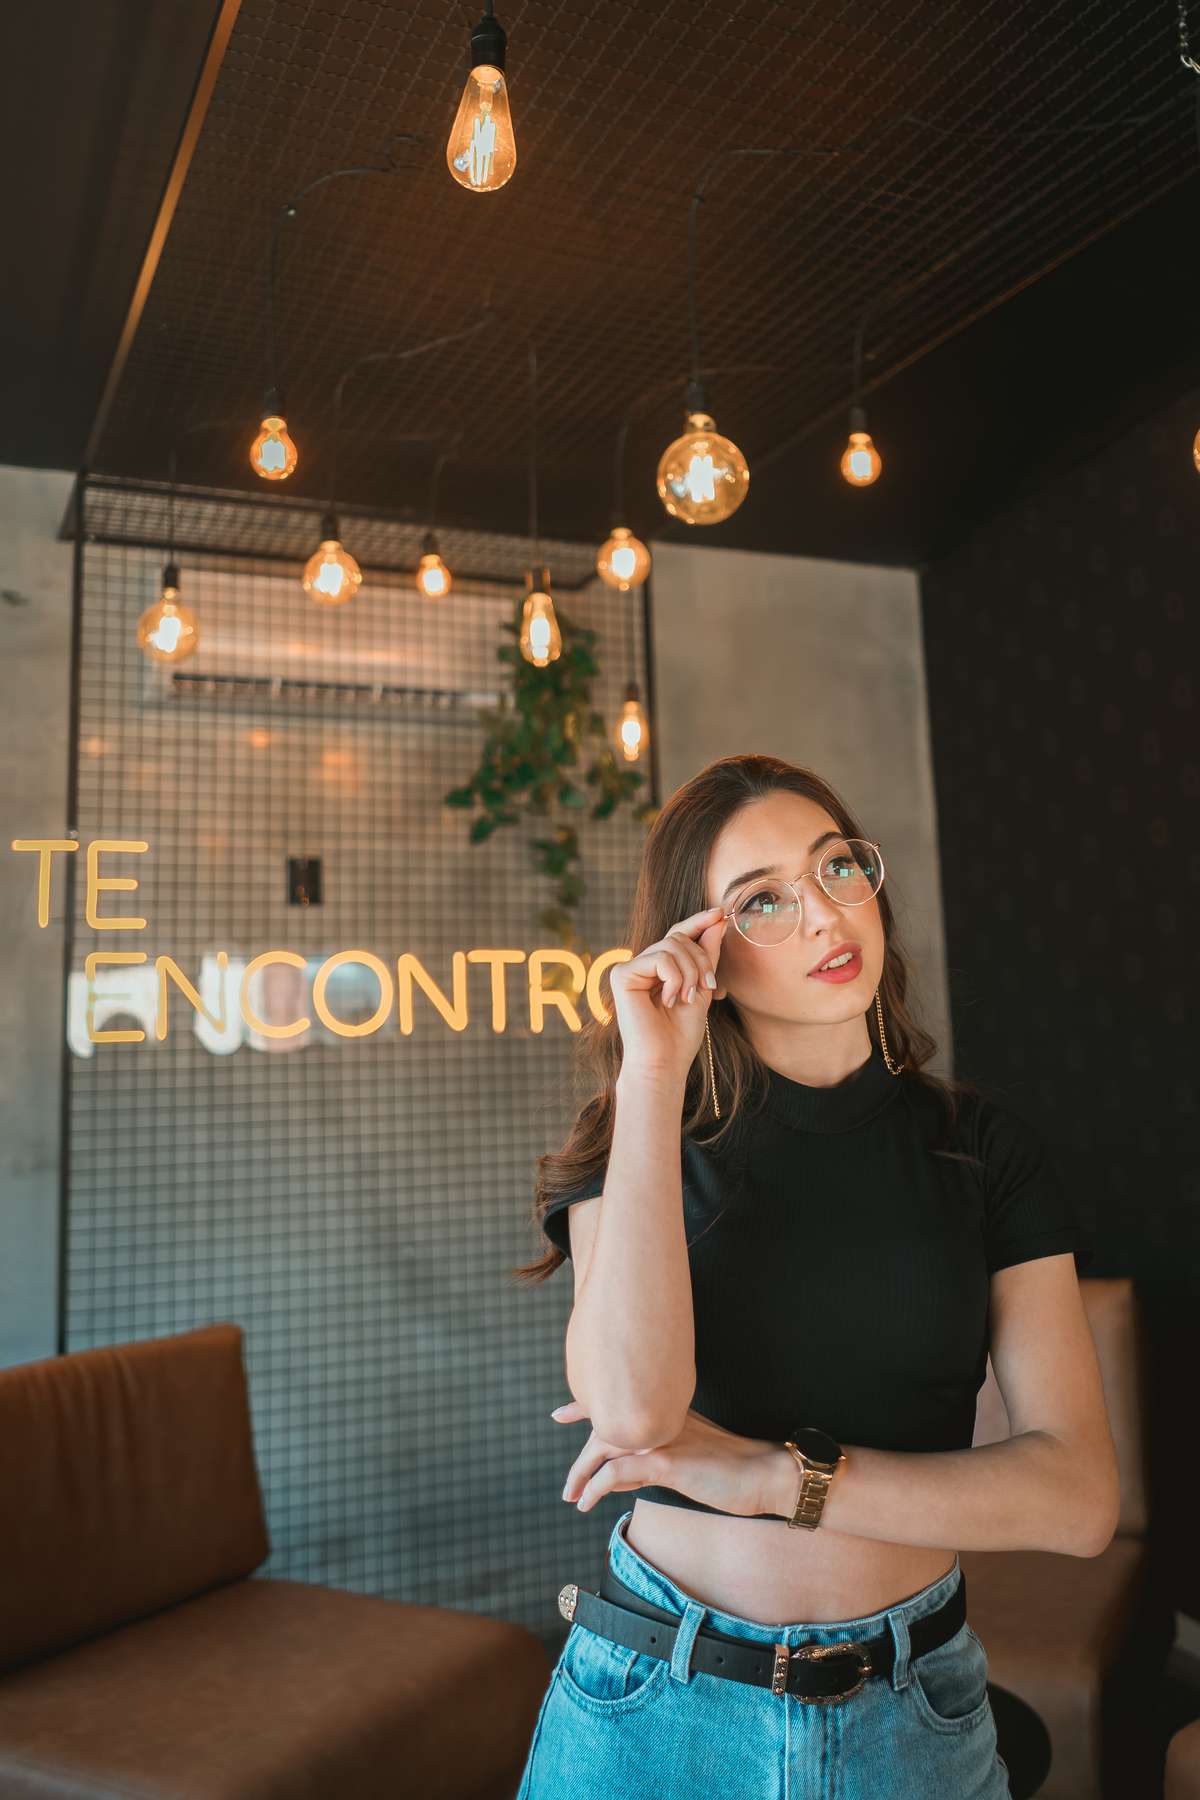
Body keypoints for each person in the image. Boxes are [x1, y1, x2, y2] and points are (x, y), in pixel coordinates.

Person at [516, 754, 1118, 1800]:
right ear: (700, 950)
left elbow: (1077, 1498)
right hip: (656, 1704)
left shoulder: (983, 1149)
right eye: (763, 902)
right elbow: (630, 1410)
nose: (826, 915)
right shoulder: (640, 1137)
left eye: (837, 867)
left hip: (912, 1710)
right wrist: (655, 1071)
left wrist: (773, 1479)